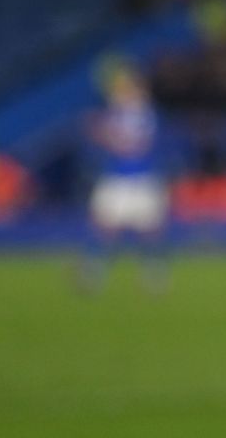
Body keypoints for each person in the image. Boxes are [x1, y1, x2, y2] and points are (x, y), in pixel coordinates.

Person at [80, 66, 169, 292]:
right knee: (106, 228)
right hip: (116, 178)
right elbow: (105, 135)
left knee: (150, 230)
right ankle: (94, 272)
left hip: (141, 179)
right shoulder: (115, 113)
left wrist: (105, 134)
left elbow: (134, 145)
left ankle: (153, 273)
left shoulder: (144, 114)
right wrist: (102, 132)